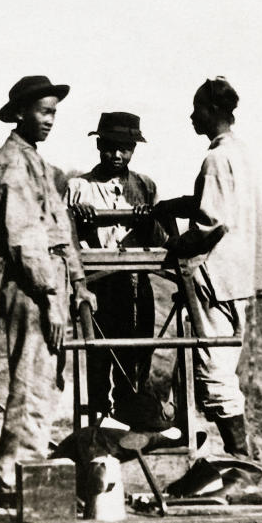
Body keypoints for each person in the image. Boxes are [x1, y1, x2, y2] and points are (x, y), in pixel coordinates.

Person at [0, 75, 96, 504]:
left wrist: (79, 285)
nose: (50, 120)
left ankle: (21, 475)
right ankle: (14, 482)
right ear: (19, 113)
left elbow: (60, 232)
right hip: (32, 288)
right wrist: (51, 298)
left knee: (44, 384)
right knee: (31, 384)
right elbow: (25, 238)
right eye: (43, 112)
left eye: (54, 113)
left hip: (50, 283)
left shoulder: (39, 165)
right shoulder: (13, 164)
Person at [155, 76, 262, 456]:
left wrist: (175, 245)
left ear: (213, 111)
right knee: (220, 366)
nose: (192, 116)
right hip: (238, 279)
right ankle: (231, 454)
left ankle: (242, 460)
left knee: (214, 372)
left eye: (196, 109)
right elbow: (219, 204)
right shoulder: (241, 153)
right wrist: (175, 205)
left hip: (215, 279)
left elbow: (211, 223)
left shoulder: (216, 158)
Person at [64, 112, 162, 423]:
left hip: (136, 283)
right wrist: (78, 220)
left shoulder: (145, 186)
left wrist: (149, 220)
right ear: (99, 146)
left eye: (125, 148)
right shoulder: (79, 187)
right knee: (98, 359)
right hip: (98, 284)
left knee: (137, 357)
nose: (117, 155)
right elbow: (63, 240)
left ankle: (133, 424)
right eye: (110, 147)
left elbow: (161, 239)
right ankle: (98, 425)